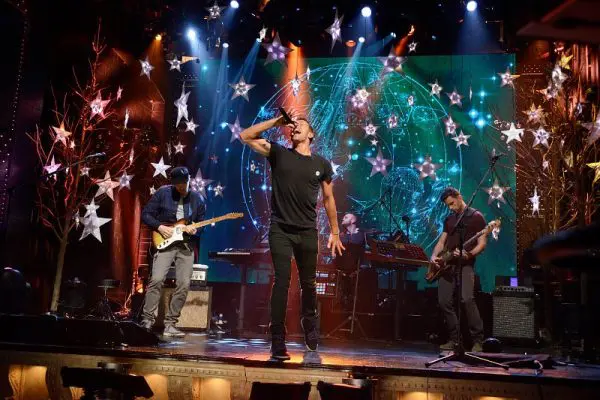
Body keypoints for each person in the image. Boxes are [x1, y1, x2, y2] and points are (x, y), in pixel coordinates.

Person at [239, 111, 345, 360]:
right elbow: (245, 136)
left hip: (307, 231)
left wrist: (335, 231)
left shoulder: (321, 164)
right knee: (282, 281)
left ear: (311, 134)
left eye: (301, 124)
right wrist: (275, 122)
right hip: (281, 230)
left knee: (309, 284)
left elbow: (328, 199)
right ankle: (277, 339)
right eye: (292, 125)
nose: (295, 126)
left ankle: (310, 326)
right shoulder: (279, 153)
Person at [140, 166, 206, 337]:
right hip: (165, 243)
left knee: (183, 284)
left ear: (189, 180)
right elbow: (146, 214)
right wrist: (160, 227)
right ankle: (147, 321)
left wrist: (195, 230)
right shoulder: (163, 193)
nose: (181, 187)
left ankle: (170, 324)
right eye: (178, 185)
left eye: (184, 183)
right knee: (156, 280)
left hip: (186, 245)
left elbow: (201, 225)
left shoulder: (198, 199)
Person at [430, 187, 486, 352]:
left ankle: (478, 341)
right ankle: (455, 340)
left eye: (452, 203)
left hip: (466, 264)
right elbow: (442, 242)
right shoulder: (449, 219)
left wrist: (469, 254)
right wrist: (434, 256)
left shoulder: (476, 217)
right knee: (444, 301)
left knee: (467, 299)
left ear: (459, 196)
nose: (451, 207)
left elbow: (482, 243)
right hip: (447, 266)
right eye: (448, 205)